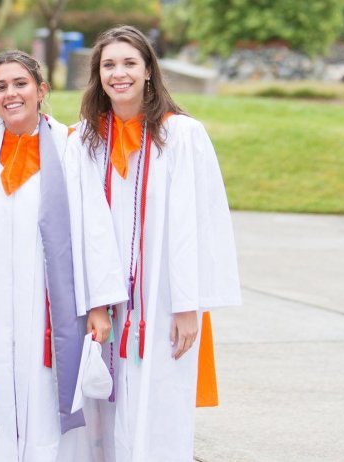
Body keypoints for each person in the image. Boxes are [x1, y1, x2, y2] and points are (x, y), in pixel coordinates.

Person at [65, 25, 241, 461]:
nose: (118, 73)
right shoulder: (85, 140)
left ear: (148, 71)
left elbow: (201, 223)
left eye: (129, 63)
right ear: (97, 74)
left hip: (162, 298)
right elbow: (79, 225)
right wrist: (96, 302)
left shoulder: (182, 135)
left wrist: (188, 305)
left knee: (159, 399)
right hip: (104, 302)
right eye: (108, 65)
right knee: (102, 406)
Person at [0, 50, 127, 462]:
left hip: (47, 303)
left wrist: (98, 304)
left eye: (20, 84)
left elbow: (94, 227)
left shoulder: (69, 147)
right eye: (0, 87)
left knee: (44, 385)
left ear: (41, 90)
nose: (10, 94)